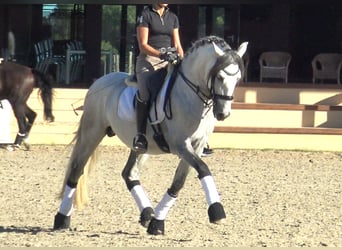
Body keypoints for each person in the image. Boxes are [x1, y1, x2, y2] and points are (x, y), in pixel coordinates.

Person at [133, 3, 184, 153]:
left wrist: (183, 60)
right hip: (149, 61)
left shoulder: (173, 17)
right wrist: (161, 54)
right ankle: (141, 135)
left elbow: (177, 44)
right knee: (146, 94)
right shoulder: (145, 15)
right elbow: (143, 45)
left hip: (169, 61)